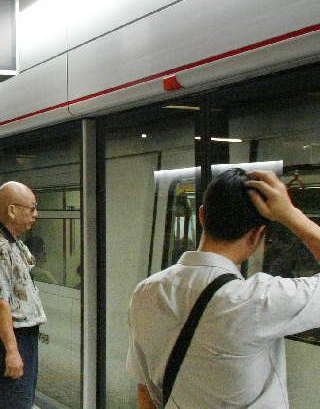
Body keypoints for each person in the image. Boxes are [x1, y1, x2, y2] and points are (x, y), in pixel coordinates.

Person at [127, 169, 320, 408]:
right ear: (257, 234)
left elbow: (145, 392)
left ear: (202, 217)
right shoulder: (258, 300)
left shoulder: (146, 293)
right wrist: (291, 215)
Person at [0, 181, 46, 409]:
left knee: (20, 402)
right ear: (12, 210)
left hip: (20, 338)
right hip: (8, 340)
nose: (35, 213)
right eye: (31, 207)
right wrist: (13, 351)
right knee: (11, 403)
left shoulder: (11, 241)